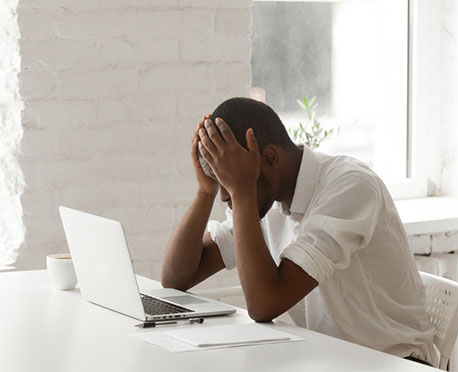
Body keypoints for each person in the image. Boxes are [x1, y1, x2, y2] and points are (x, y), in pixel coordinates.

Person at [160, 97, 437, 365]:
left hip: (393, 362)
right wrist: (205, 190)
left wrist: (241, 191)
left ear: (268, 158)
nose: (225, 197)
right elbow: (177, 277)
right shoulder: (265, 199)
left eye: (230, 184)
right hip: (327, 358)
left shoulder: (351, 186)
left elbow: (264, 305)